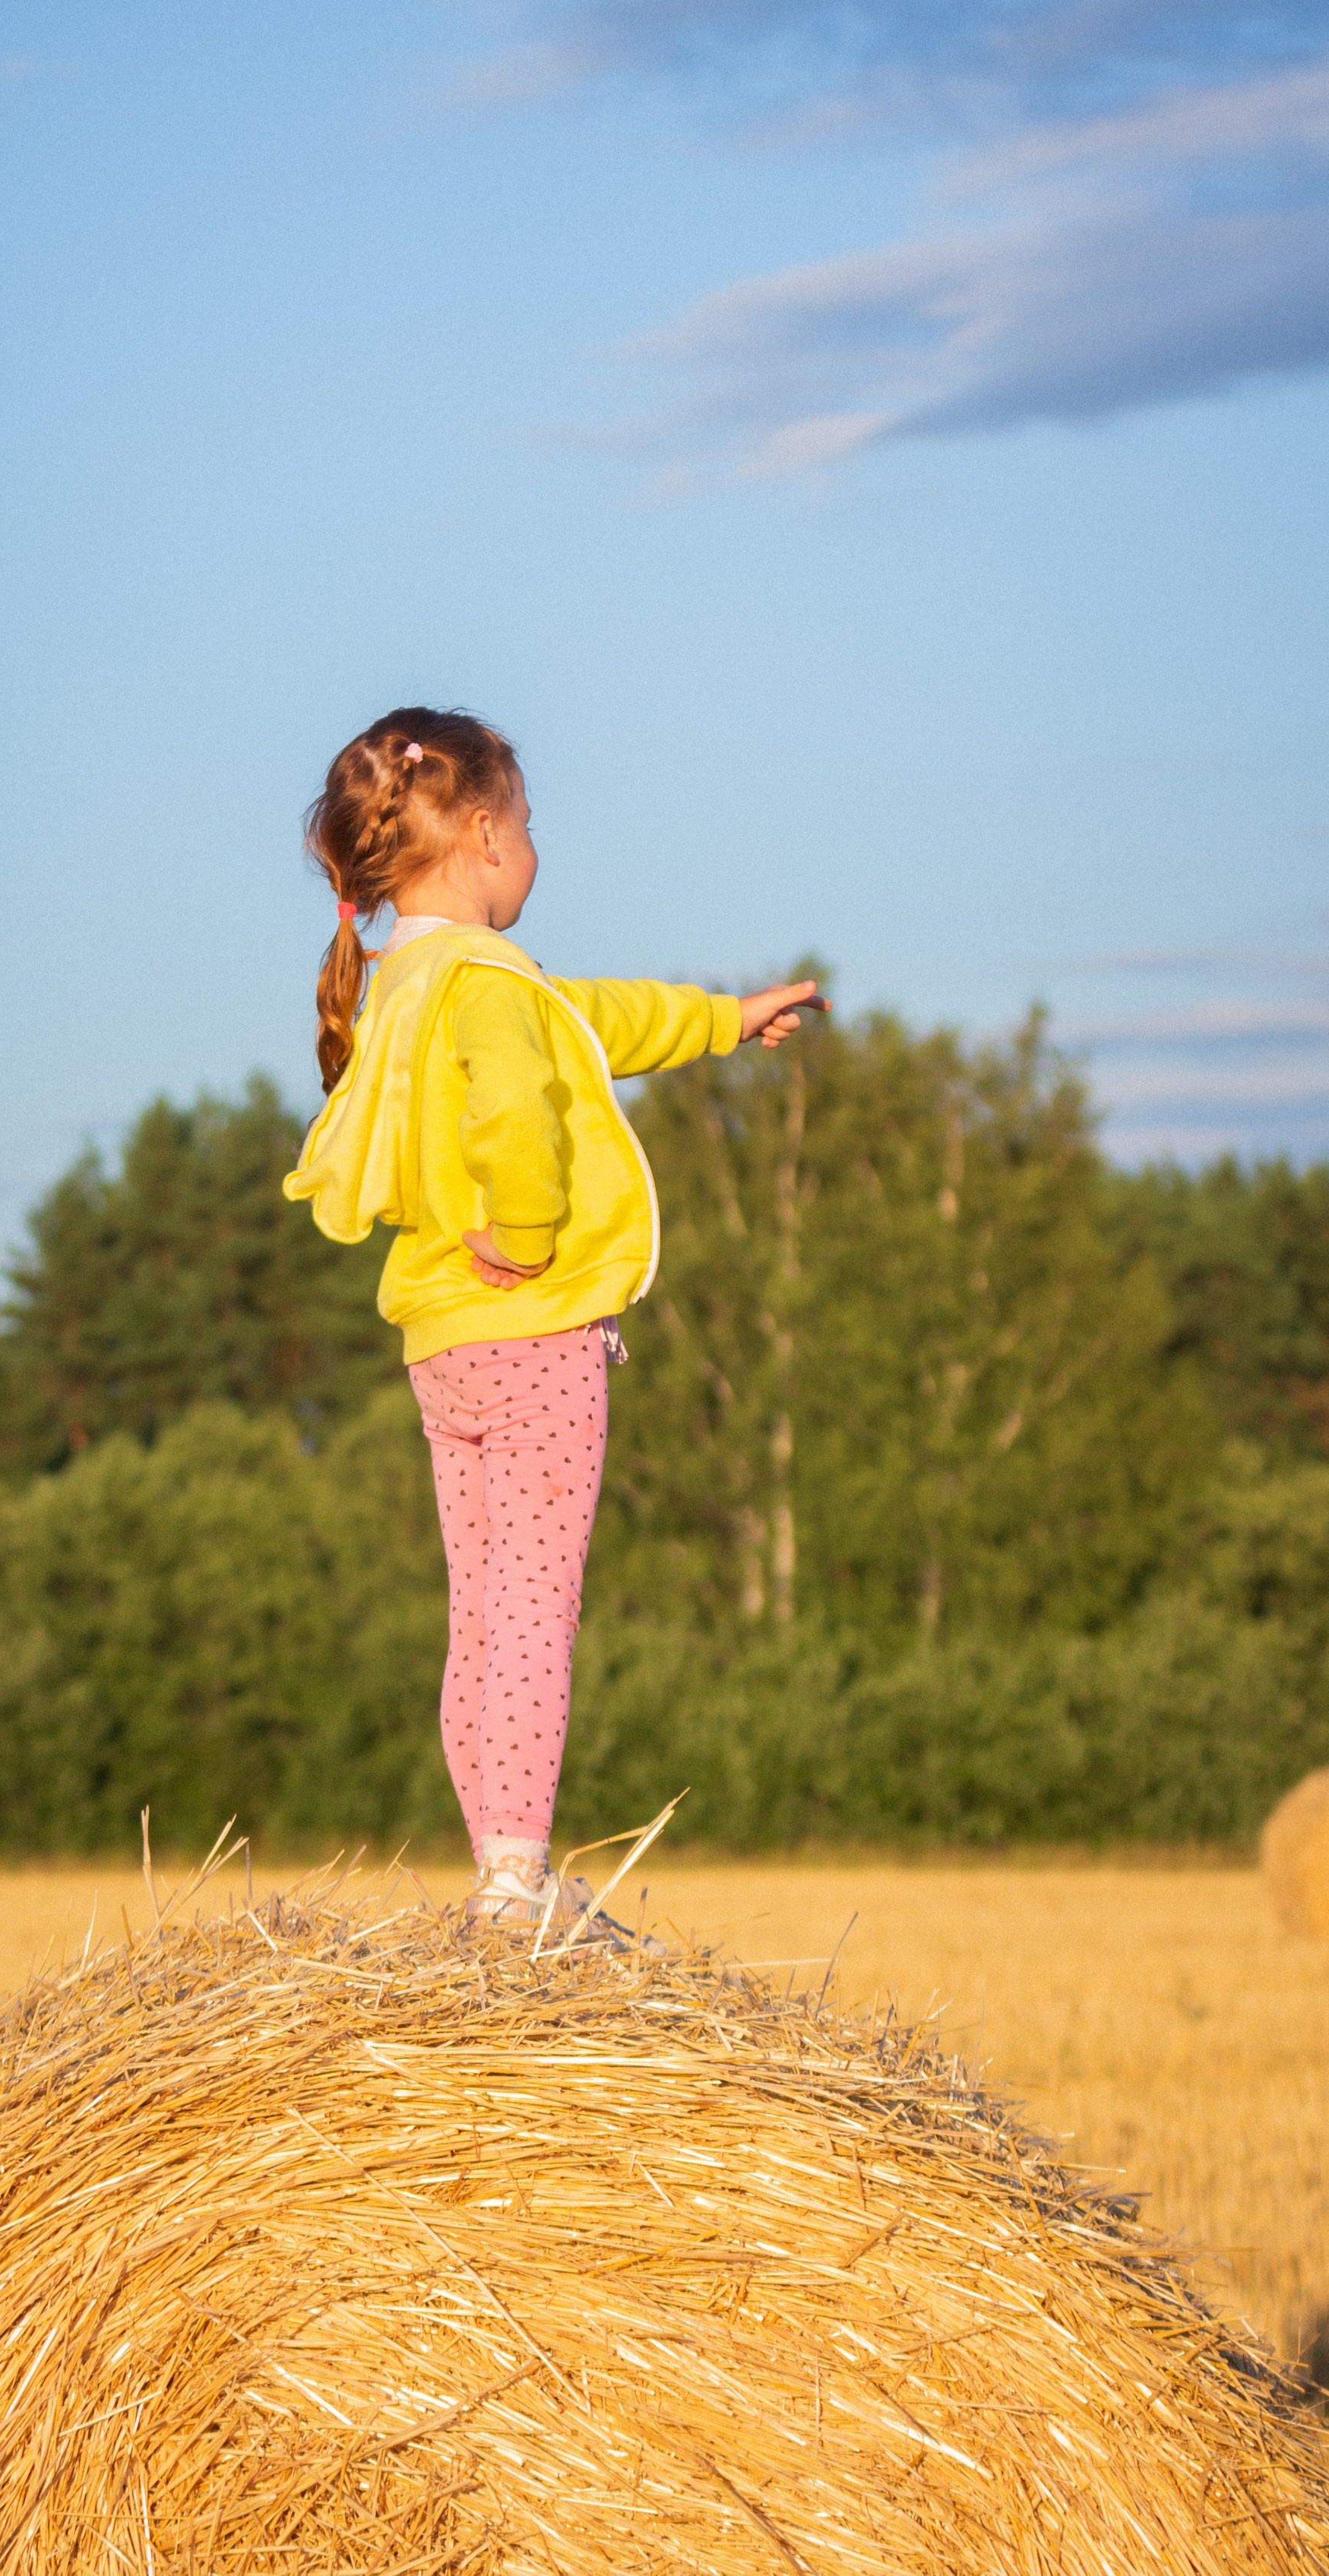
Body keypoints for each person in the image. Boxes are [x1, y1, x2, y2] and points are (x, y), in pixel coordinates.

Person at [283, 707, 818, 1933]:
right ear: (483, 836)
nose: (534, 846)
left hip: (444, 1347)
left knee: (481, 1614)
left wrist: (722, 1018)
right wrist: (528, 1234)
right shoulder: (485, 983)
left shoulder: (405, 982)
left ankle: (498, 1868)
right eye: (527, 824)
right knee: (536, 1612)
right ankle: (519, 1882)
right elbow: (521, 1101)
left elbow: (594, 1021)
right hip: (534, 1335)